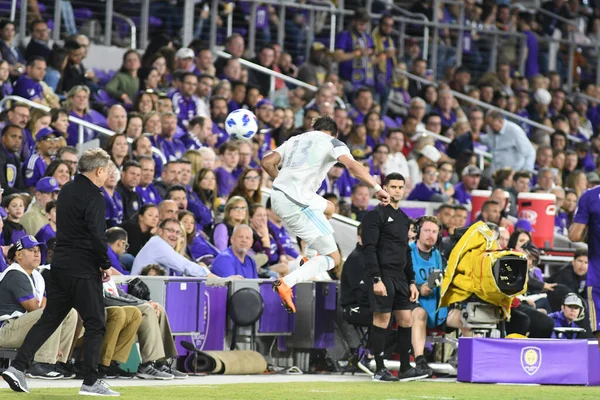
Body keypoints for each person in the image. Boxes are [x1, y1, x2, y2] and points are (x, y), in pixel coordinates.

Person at [2, 148, 120, 396]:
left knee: (49, 319)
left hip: (60, 266)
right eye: (107, 170)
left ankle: (19, 367)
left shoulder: (66, 190)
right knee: (96, 322)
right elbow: (97, 235)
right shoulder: (94, 196)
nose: (107, 175)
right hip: (83, 267)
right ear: (99, 170)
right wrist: (104, 263)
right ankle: (90, 381)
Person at [261, 116, 390, 313]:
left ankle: (308, 258)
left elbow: (267, 162)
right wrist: (377, 187)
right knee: (334, 259)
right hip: (297, 202)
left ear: (314, 128)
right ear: (335, 133)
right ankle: (286, 282)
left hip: (277, 195)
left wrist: (285, 185)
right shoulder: (333, 142)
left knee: (329, 208)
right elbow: (353, 167)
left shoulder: (296, 139)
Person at [359, 172, 427, 382]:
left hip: (400, 278)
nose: (397, 190)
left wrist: (412, 281)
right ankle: (379, 368)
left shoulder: (404, 219)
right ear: (384, 189)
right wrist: (376, 279)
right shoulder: (374, 215)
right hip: (383, 275)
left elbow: (406, 251)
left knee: (406, 319)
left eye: (400, 187)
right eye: (393, 187)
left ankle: (406, 368)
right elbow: (369, 248)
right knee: (382, 319)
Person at [409, 216, 447, 377]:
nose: (430, 235)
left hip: (437, 304)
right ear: (418, 232)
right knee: (420, 314)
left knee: (464, 318)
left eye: (434, 231)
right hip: (410, 302)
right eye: (426, 230)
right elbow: (396, 280)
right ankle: (420, 360)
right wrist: (418, 287)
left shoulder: (439, 256)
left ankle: (465, 361)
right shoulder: (406, 253)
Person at [131, 218, 215, 277]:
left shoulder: (159, 244)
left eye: (178, 232)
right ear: (160, 231)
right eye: (170, 230)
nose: (174, 235)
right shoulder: (158, 244)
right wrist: (208, 275)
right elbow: (184, 265)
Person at [340, 224, 371, 326]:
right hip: (354, 307)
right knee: (385, 314)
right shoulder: (355, 259)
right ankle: (376, 342)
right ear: (359, 238)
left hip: (369, 304)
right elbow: (362, 296)